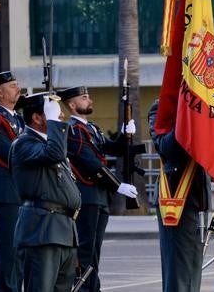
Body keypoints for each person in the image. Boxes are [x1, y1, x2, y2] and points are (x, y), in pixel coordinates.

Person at [56, 86, 138, 292]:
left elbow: (113, 148)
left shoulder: (92, 128)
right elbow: (90, 162)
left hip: (99, 197)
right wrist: (118, 186)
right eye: (84, 98)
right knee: (85, 249)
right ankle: (83, 289)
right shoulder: (72, 131)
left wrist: (124, 133)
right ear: (72, 105)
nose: (89, 100)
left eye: (89, 96)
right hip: (87, 195)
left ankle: (92, 287)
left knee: (94, 250)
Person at [10, 93, 81, 292]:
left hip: (62, 230)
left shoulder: (47, 144)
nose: (61, 117)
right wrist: (53, 122)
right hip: (42, 230)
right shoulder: (24, 143)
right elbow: (55, 154)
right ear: (37, 118)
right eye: (53, 114)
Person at [147, 99, 211, 292]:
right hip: (175, 198)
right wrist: (186, 120)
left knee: (192, 267)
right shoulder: (161, 107)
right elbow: (164, 146)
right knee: (177, 270)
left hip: (198, 197)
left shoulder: (200, 103)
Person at [0, 71, 25, 292]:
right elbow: (8, 152)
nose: (18, 89)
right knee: (9, 252)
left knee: (20, 252)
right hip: (5, 193)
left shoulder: (17, 118)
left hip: (19, 192)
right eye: (12, 85)